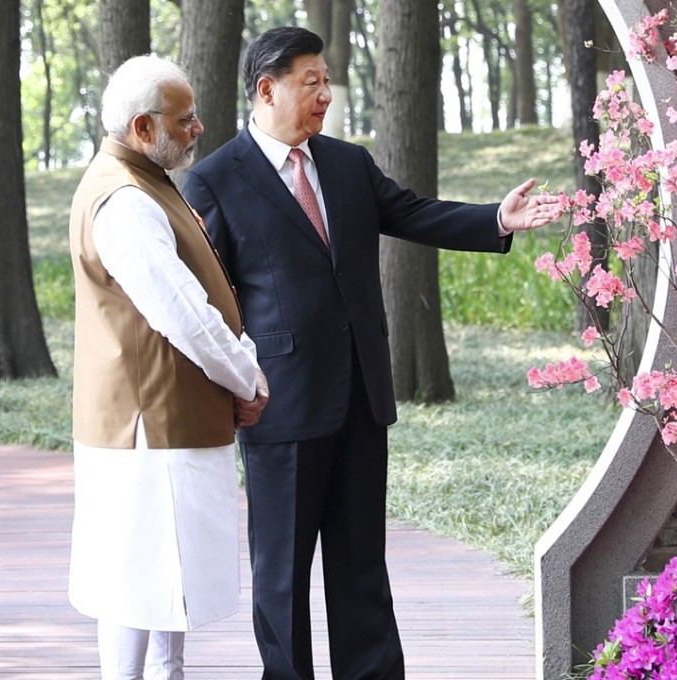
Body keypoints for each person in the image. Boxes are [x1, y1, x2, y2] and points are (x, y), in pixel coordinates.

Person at [182, 27, 562, 680]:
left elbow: (413, 213)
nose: (326, 93)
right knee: (282, 575)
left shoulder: (347, 164)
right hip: (279, 405)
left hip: (360, 396)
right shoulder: (214, 181)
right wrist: (231, 386)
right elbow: (204, 304)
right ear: (267, 89)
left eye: (327, 80)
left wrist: (495, 220)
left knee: (362, 566)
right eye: (312, 82)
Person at [67, 54, 269, 680]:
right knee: (137, 583)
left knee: (154, 582)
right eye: (183, 120)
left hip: (147, 423)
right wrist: (247, 376)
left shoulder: (135, 179)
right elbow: (181, 312)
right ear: (143, 128)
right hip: (149, 426)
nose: (199, 128)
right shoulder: (125, 199)